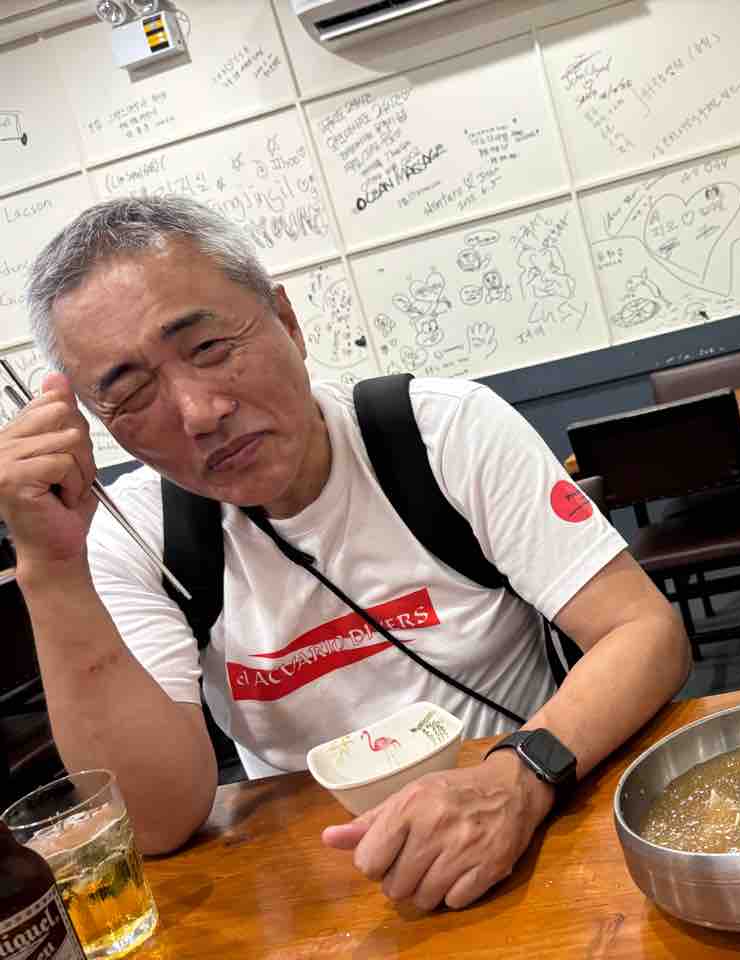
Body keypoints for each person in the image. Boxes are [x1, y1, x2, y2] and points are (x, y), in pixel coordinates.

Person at [0, 196, 689, 911]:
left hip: (527, 821)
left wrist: (515, 778)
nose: (200, 414)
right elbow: (155, 822)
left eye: (209, 347)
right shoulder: (137, 535)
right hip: (315, 885)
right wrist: (51, 570)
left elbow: (643, 631)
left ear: (287, 321)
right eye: (133, 393)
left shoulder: (444, 433)